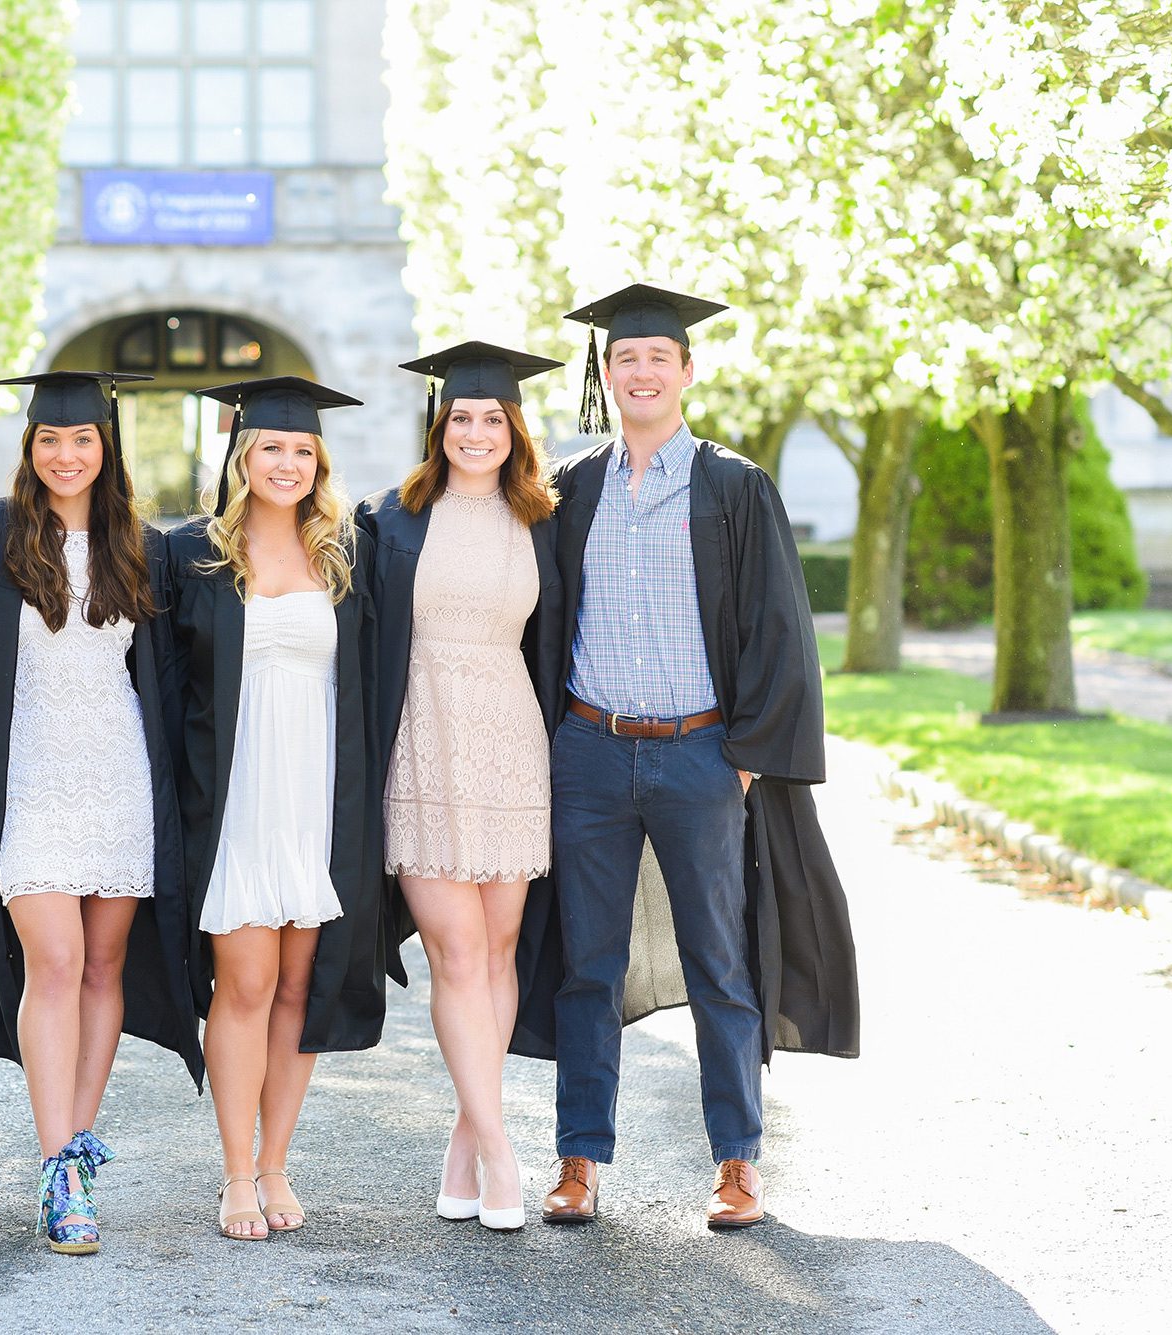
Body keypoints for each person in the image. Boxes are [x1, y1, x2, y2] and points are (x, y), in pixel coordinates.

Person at [537, 283, 859, 1232]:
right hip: (591, 751)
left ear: (686, 370)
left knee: (720, 963)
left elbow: (778, 629)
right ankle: (580, 1161)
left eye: (657, 358)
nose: (640, 371)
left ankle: (737, 1162)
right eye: (624, 358)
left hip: (698, 755)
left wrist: (745, 755)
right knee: (586, 965)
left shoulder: (732, 486)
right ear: (606, 371)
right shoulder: (570, 488)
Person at [0, 370, 202, 1256]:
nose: (66, 454)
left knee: (102, 966)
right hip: (30, 771)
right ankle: (55, 1163)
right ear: (30, 446)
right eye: (50, 439)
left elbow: (163, 675)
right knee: (55, 959)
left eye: (82, 439)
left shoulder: (143, 547)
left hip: (116, 769)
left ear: (105, 445)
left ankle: (76, 1150)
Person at [163, 377, 386, 1241]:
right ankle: (234, 1173)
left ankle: (278, 1162)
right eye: (270, 449)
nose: (286, 463)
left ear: (318, 462)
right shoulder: (195, 558)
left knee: (301, 984)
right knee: (246, 982)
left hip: (316, 794)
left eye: (301, 451)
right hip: (238, 796)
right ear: (241, 456)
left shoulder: (345, 556)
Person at [355, 342, 564, 1232]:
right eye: (462, 418)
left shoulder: (546, 518)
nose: (476, 432)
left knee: (501, 944)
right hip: (423, 740)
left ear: (515, 429)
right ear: (438, 427)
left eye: (493, 418)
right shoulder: (392, 520)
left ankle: (464, 1140)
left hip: (510, 740)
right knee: (455, 948)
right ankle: (503, 1151)